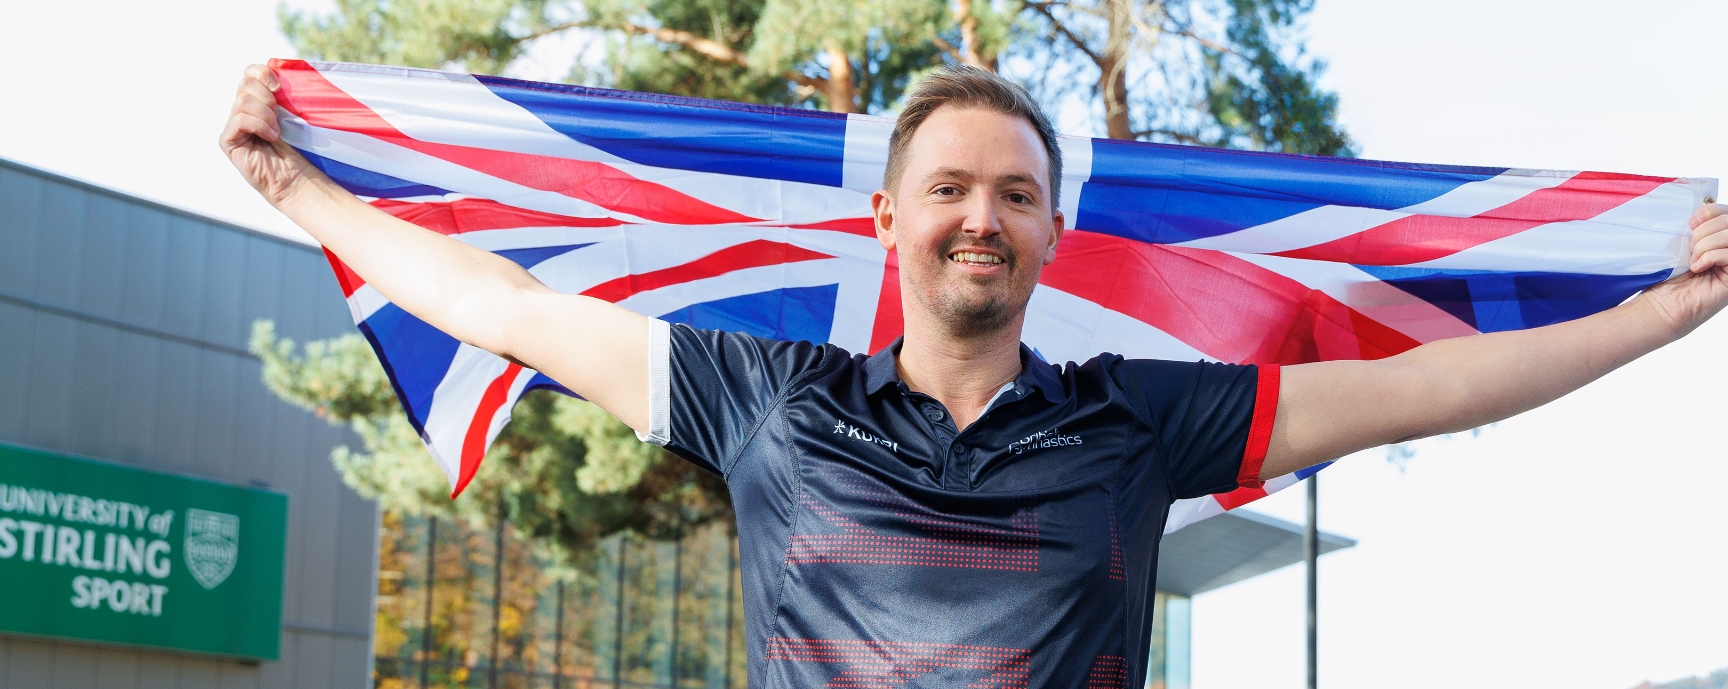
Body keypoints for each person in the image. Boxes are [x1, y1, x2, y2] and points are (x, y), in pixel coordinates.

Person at [222, 63, 1728, 685]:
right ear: (885, 218)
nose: (980, 217)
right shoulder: (767, 402)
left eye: (1014, 193)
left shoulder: (1138, 420)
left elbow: (1434, 389)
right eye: (948, 187)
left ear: (1055, 235)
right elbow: (505, 304)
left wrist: (1663, 315)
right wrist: (301, 195)